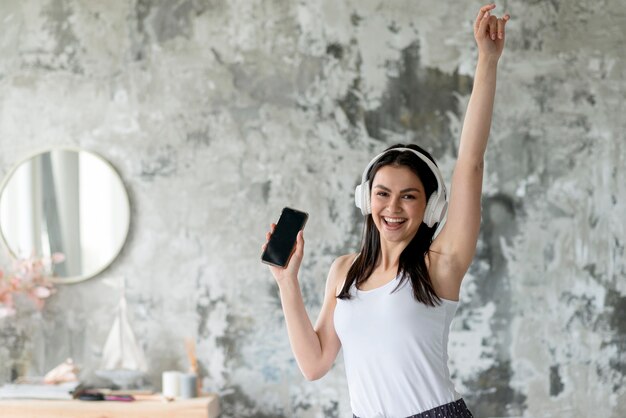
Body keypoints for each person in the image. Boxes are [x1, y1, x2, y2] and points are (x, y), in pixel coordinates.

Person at [263, 4, 509, 417]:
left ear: (430, 205)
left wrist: (488, 59)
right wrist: (286, 282)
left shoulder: (441, 263)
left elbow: (470, 162)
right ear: (366, 199)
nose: (392, 208)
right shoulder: (345, 271)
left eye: (409, 196)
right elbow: (315, 363)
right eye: (382, 194)